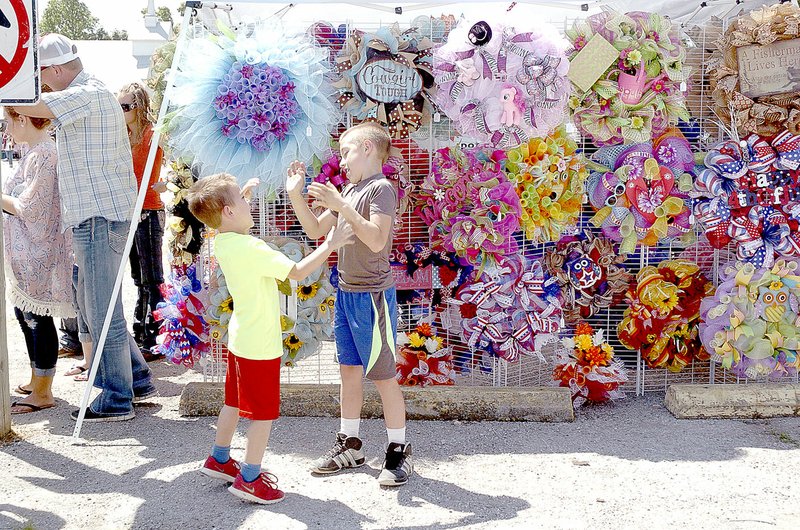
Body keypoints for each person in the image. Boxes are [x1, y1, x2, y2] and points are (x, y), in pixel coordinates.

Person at [11, 33, 156, 422]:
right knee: (98, 308)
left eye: (41, 74)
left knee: (99, 310)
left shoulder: (86, 93)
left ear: (55, 69)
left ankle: (117, 399)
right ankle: (137, 379)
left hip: (99, 217)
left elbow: (33, 105)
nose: (40, 82)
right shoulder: (90, 92)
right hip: (99, 215)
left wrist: (12, 82)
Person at [187, 173, 353, 504]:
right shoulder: (252, 247)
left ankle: (220, 458)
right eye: (244, 201)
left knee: (233, 402)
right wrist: (330, 245)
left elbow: (227, 218)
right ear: (230, 212)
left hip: (239, 338)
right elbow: (297, 272)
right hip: (259, 344)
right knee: (262, 414)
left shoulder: (223, 240)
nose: (249, 204)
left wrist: (237, 194)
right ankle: (250, 477)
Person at [286, 122, 413, 487]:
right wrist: (296, 194)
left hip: (373, 298)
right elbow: (315, 230)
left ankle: (398, 450)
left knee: (384, 377)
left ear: (369, 148)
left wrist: (342, 205)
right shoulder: (350, 189)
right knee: (349, 373)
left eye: (347, 151)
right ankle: (351, 444)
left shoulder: (382, 189)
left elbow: (375, 240)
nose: (341, 160)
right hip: (346, 294)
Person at [2, 104, 74, 414]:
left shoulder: (45, 153)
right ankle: (37, 380)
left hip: (38, 251)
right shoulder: (36, 150)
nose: (6, 128)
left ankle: (43, 390)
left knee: (35, 317)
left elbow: (32, 207)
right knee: (26, 314)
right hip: (27, 250)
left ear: (22, 117)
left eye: (8, 120)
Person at [118, 82, 167, 361]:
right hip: (129, 211)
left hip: (148, 210)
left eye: (126, 106)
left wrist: (168, 183)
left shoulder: (153, 133)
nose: (122, 111)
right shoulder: (123, 135)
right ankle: (143, 333)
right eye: (120, 106)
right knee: (139, 277)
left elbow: (179, 160)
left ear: (139, 107)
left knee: (152, 277)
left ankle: (152, 335)